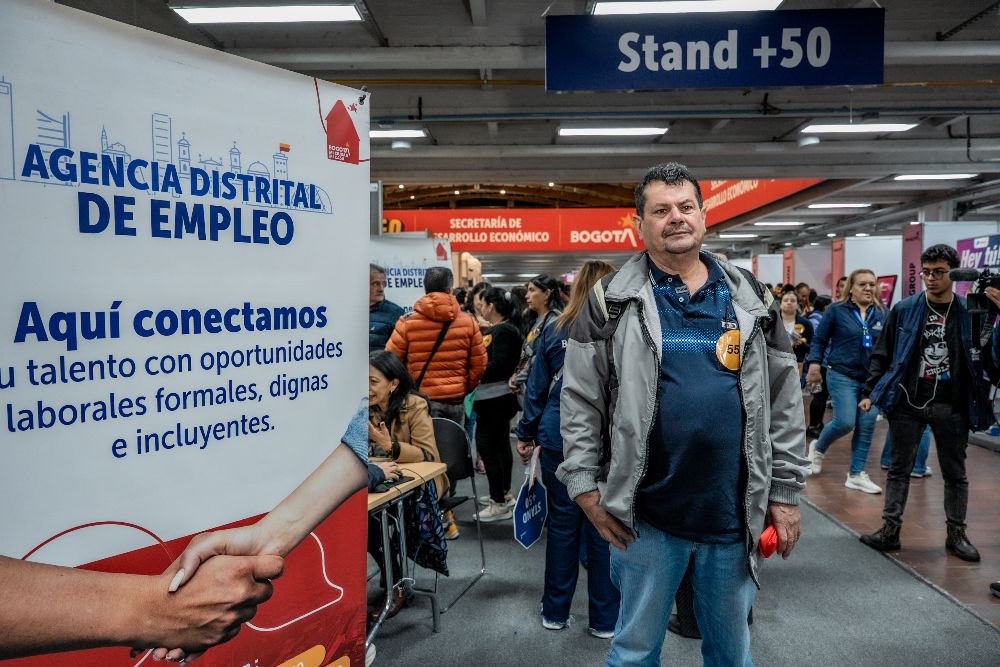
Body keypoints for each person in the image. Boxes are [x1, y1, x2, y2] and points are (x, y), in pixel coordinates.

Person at [558, 162, 807, 667]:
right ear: (639, 224)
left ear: (703, 216)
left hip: (732, 513)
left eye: (685, 207)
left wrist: (784, 492)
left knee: (731, 654)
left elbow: (784, 400)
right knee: (632, 652)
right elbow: (581, 401)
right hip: (645, 517)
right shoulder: (612, 302)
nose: (676, 218)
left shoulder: (752, 300)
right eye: (661, 210)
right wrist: (585, 486)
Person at [858, 244, 1000, 561]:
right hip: (909, 399)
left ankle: (956, 534)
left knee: (955, 472)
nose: (931, 278)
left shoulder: (969, 312)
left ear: (954, 273)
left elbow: (987, 360)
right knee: (899, 469)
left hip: (953, 404)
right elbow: (883, 354)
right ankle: (890, 530)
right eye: (926, 272)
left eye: (939, 272)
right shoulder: (905, 309)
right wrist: (870, 392)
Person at [516, 259, 620, 639]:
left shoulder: (556, 328)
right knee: (604, 528)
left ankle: (555, 612)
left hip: (559, 437)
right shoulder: (620, 326)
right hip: (606, 441)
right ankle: (605, 620)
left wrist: (526, 434)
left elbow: (537, 389)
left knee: (561, 528)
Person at [366, 350, 449, 616]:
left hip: (422, 484)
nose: (365, 388)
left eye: (373, 381)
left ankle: (397, 583)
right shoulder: (362, 408)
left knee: (374, 520)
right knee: (364, 519)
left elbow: (428, 455)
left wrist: (388, 446)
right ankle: (394, 574)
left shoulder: (414, 405)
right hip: (385, 482)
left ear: (393, 383)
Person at [804, 269, 886, 494]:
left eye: (872, 284)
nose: (868, 288)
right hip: (841, 374)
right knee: (846, 422)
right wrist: (813, 365)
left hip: (871, 380)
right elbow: (819, 339)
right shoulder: (836, 311)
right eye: (862, 284)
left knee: (867, 423)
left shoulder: (881, 313)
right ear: (851, 287)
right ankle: (818, 448)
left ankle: (857, 474)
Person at [386, 266, 487, 425]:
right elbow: (479, 364)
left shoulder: (407, 322)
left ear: (425, 288)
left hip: (420, 400)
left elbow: (390, 361)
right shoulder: (469, 322)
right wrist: (463, 387)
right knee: (453, 446)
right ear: (450, 289)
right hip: (455, 401)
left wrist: (406, 389)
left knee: (424, 447)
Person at [473, 287, 525, 521]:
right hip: (493, 398)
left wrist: (475, 372)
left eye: (482, 304)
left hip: (497, 398)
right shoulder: (501, 329)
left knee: (487, 447)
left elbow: (502, 364)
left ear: (491, 306)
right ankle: (503, 493)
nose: (480, 308)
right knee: (500, 445)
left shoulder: (504, 331)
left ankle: (499, 502)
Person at [509, 274, 564, 400]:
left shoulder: (554, 322)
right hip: (529, 385)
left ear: (547, 294)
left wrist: (519, 377)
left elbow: (539, 356)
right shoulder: (536, 320)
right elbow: (528, 353)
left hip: (544, 389)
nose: (526, 296)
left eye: (532, 290)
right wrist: (517, 374)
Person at [369, 263, 405, 352]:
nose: (381, 289)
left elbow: (400, 352)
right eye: (376, 284)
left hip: (380, 365)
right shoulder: (350, 311)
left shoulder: (396, 313)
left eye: (383, 284)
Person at [778, 287, 813, 365]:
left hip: (797, 364)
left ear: (797, 305)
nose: (789, 303)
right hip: (775, 363)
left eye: (793, 301)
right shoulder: (773, 322)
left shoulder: (806, 323)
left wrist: (801, 344)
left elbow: (813, 348)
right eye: (786, 300)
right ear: (780, 304)